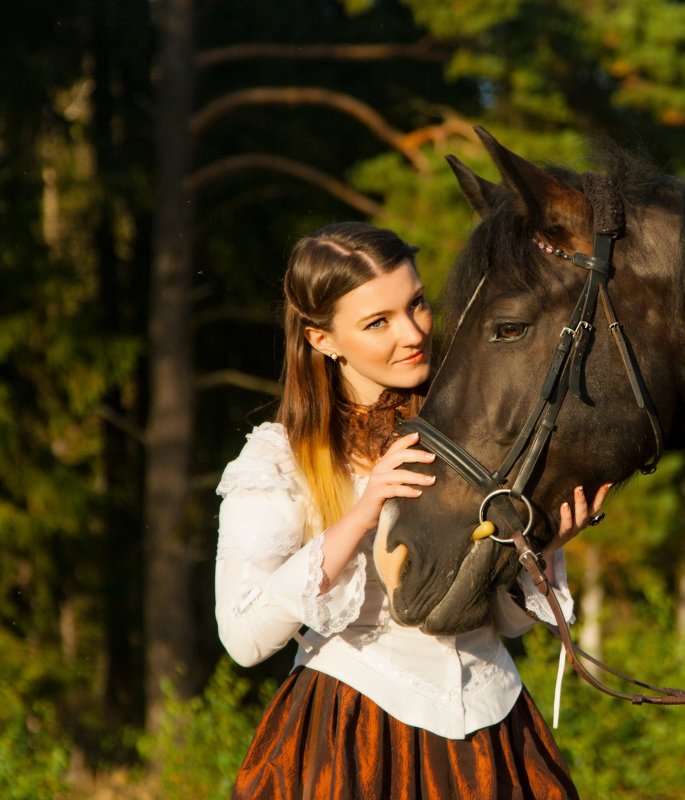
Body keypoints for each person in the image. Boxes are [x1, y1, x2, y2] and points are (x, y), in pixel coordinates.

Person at [214, 221, 608, 799]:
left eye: (417, 303)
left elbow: (505, 623)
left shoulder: (478, 430)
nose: (413, 333)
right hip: (352, 742)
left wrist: (543, 550)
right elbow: (244, 639)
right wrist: (364, 510)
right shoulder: (282, 457)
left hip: (495, 737)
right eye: (378, 322)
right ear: (323, 340)